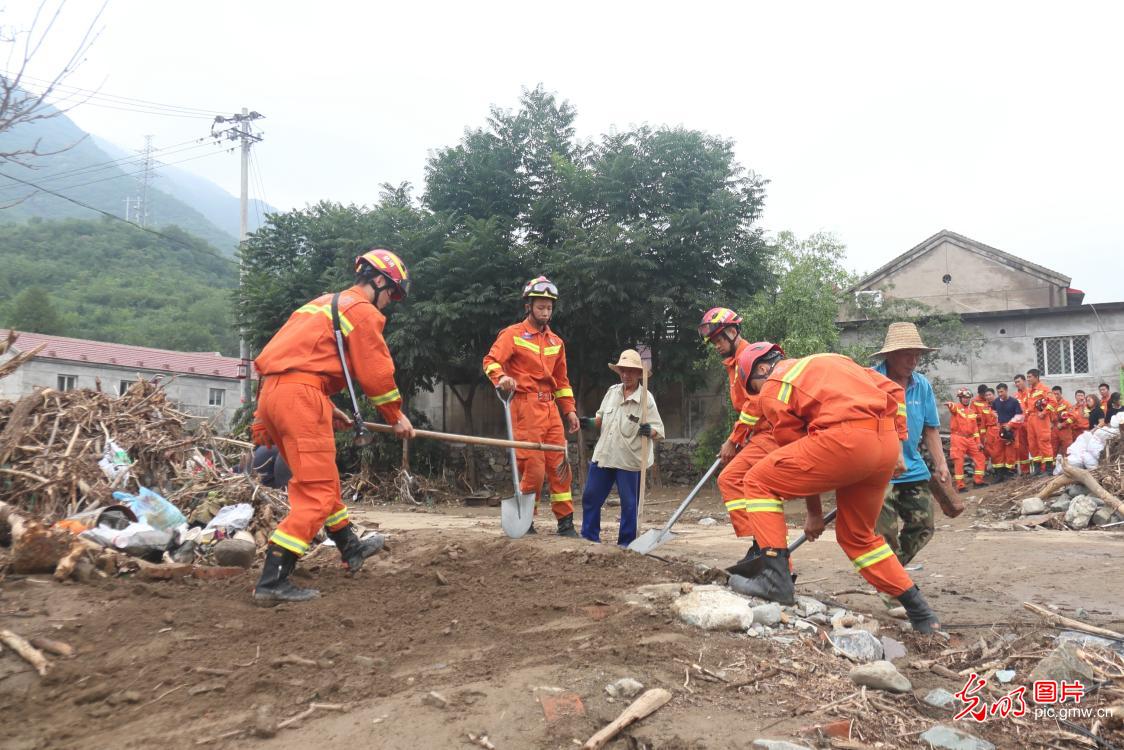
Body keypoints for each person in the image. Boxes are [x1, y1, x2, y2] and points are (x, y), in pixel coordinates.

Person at [729, 344, 941, 633]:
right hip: (884, 445)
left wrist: (814, 514)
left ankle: (774, 579)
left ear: (761, 370)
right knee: (858, 537)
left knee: (756, 481)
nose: (757, 395)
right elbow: (893, 391)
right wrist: (900, 444)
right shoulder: (834, 359)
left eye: (752, 387)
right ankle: (921, 612)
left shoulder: (773, 386)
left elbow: (796, 450)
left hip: (845, 441)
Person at [251, 248, 415, 603]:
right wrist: (395, 416)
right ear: (379, 280)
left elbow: (291, 361)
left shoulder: (320, 304)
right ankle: (272, 581)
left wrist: (324, 406)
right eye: (392, 293)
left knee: (322, 480)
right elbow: (375, 373)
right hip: (301, 398)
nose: (390, 302)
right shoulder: (361, 311)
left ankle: (350, 547)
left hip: (276, 395)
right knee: (317, 493)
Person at [696, 309, 815, 563]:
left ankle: (765, 548)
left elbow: (754, 405)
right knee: (742, 483)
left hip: (773, 433)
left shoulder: (748, 359)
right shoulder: (733, 363)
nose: (716, 346)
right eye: (713, 342)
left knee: (734, 479)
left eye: (718, 340)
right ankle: (762, 547)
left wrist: (734, 440)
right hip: (762, 435)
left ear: (732, 332)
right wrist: (741, 437)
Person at [483, 276, 580, 537]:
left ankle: (566, 523)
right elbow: (491, 361)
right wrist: (501, 377)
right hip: (525, 408)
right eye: (540, 307)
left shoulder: (556, 342)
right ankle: (526, 521)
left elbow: (562, 381)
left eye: (549, 308)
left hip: (551, 411)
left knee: (561, 467)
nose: (545, 312)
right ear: (529, 306)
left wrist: (569, 410)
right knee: (534, 469)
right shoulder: (512, 335)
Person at [871, 322, 950, 566]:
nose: (913, 360)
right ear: (890, 355)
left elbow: (930, 428)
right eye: (907, 354)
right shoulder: (870, 381)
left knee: (924, 526)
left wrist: (941, 464)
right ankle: (892, 588)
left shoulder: (922, 385)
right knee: (885, 533)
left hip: (912, 468)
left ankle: (890, 572)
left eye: (917, 355)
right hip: (877, 471)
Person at [578, 350, 664, 546]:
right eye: (623, 371)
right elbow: (601, 418)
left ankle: (626, 544)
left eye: (630, 371)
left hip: (630, 460)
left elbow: (659, 430)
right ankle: (590, 539)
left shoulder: (646, 398)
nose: (626, 375)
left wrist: (649, 430)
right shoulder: (612, 392)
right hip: (605, 454)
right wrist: (590, 423)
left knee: (629, 505)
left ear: (638, 373)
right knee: (591, 496)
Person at [947, 387, 988, 492]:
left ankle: (978, 481)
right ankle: (960, 486)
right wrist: (950, 405)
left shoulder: (971, 412)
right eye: (964, 397)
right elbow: (953, 408)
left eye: (968, 398)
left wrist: (978, 442)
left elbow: (975, 429)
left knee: (980, 457)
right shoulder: (956, 408)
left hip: (970, 439)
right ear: (960, 398)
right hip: (958, 438)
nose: (966, 399)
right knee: (959, 462)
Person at [1025, 369, 1057, 473]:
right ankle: (1037, 469)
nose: (1028, 379)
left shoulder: (1044, 389)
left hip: (1040, 419)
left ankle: (1049, 469)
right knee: (1032, 443)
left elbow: (1053, 402)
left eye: (1030, 377)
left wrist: (1044, 413)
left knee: (1044, 442)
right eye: (1027, 377)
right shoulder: (1030, 391)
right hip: (1031, 419)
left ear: (1036, 377)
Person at [992, 383, 1022, 480]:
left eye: (1001, 391)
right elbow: (993, 411)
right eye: (998, 392)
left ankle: (1010, 471)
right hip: (1000, 428)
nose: (1000, 394)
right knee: (998, 451)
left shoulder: (1014, 402)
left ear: (1006, 390)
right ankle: (1000, 474)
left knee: (1010, 452)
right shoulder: (996, 401)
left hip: (1011, 428)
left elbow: (1019, 415)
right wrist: (997, 419)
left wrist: (1010, 425)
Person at [972, 384, 1001, 481]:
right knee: (987, 451)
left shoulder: (999, 404)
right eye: (986, 395)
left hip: (998, 430)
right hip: (987, 431)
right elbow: (982, 422)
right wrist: (983, 437)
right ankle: (988, 472)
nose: (987, 397)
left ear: (993, 395)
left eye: (989, 395)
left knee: (999, 452)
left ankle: (1002, 472)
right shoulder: (979, 404)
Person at [1012, 374, 1033, 476]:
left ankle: (1039, 469)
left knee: (1034, 446)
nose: (1017, 384)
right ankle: (1025, 471)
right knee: (1022, 448)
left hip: (1030, 423)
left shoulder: (1031, 392)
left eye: (1018, 381)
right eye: (1015, 382)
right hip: (1020, 425)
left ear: (1024, 381)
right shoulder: (1015, 396)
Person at [1051, 386, 1076, 456]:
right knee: (1052, 452)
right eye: (1054, 394)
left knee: (1068, 452)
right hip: (1053, 431)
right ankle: (1053, 466)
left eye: (1057, 394)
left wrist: (1063, 424)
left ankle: (1068, 466)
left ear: (1061, 394)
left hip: (1065, 431)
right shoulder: (1050, 405)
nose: (1055, 396)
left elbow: (1073, 417)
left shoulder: (1066, 404)